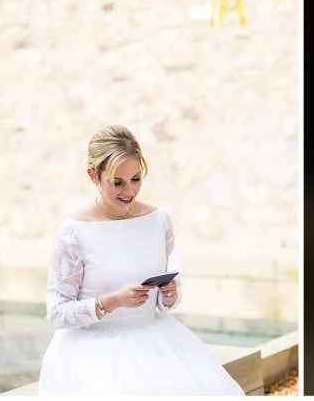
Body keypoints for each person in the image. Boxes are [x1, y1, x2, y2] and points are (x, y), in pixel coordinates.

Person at [38, 125, 244, 395]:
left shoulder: (159, 221)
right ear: (93, 176)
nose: (129, 191)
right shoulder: (75, 231)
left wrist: (170, 293)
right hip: (93, 356)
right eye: (117, 182)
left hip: (156, 339)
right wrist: (113, 301)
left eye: (136, 179)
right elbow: (56, 312)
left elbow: (171, 291)